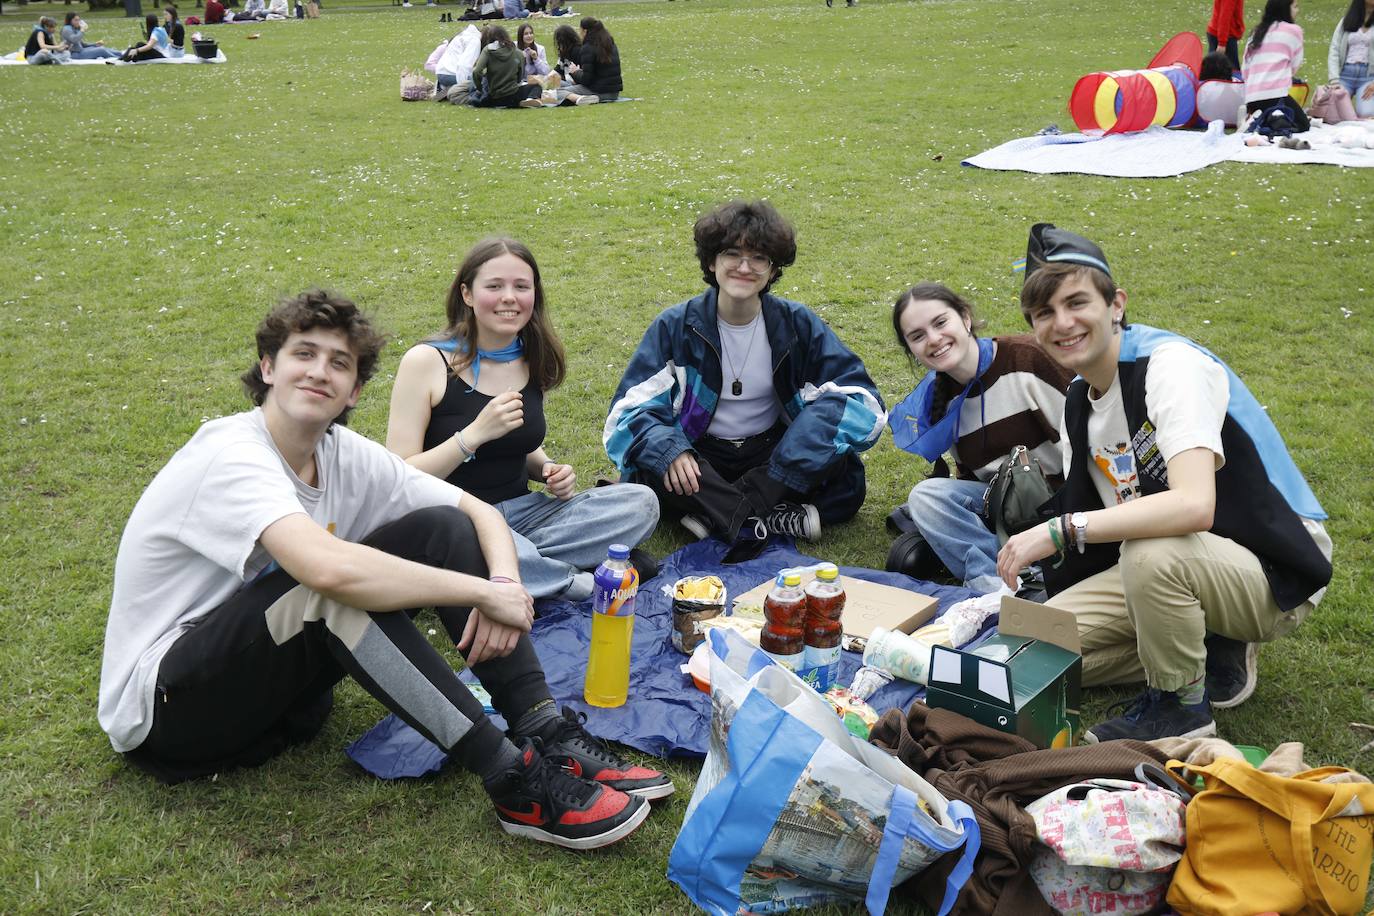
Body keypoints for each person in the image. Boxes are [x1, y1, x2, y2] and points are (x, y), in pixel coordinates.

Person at [98, 290, 670, 847]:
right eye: (304, 354)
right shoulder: (232, 453)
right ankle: (513, 779)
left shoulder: (340, 451)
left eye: (339, 363)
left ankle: (544, 728)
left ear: (355, 389)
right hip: (169, 711)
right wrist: (479, 592)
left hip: (273, 693)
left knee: (442, 527)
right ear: (268, 367)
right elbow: (329, 572)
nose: (320, 372)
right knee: (330, 590)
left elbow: (473, 513)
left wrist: (501, 582)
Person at [997, 224, 1332, 743]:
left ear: (1116, 304)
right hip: (1166, 562)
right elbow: (1112, 510)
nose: (1062, 323)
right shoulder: (1077, 402)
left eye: (1076, 302)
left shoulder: (1170, 366)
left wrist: (1062, 530)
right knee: (1030, 648)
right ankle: (1197, 644)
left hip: (1269, 561)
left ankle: (1182, 708)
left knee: (1153, 554)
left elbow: (1195, 506)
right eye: (1044, 313)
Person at [606, 200, 885, 562]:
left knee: (845, 474)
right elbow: (626, 414)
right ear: (711, 262)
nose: (744, 267)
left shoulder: (796, 323)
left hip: (772, 455)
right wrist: (671, 450)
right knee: (651, 470)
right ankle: (766, 516)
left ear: (772, 270)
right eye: (732, 254)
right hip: (701, 454)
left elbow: (862, 402)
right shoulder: (675, 326)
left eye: (758, 258)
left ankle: (719, 514)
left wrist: (778, 472)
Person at [386, 238, 659, 601]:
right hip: (455, 518)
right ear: (467, 294)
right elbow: (399, 477)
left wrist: (548, 469)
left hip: (525, 516)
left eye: (521, 286)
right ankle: (573, 582)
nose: (509, 297)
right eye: (494, 286)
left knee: (641, 502)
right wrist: (472, 436)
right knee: (482, 541)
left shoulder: (532, 358)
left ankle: (514, 567)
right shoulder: (426, 362)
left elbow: (521, 445)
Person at [888, 283, 1073, 595]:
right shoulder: (939, 403)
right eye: (917, 336)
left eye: (940, 323)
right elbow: (974, 479)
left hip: (1069, 503)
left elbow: (1086, 444)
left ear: (966, 318)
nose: (934, 340)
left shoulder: (1027, 361)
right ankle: (1003, 584)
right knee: (926, 497)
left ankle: (1030, 572)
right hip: (1009, 511)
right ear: (912, 350)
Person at [1242, 0, 1309, 131]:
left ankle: (1258, 118)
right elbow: (1295, 65)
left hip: (1251, 96)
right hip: (1275, 94)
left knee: (1277, 113)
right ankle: (1268, 121)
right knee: (1303, 125)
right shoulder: (1294, 31)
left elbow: (1245, 68)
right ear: (1285, 9)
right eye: (1295, 6)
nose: (1297, 10)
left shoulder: (1257, 32)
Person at [470, 26, 546, 108]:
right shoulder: (518, 53)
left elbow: (476, 71)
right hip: (513, 96)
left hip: (494, 97)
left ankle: (478, 99)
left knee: (472, 85)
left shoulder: (488, 50)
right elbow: (520, 77)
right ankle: (530, 99)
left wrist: (479, 88)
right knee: (536, 86)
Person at [557, 16, 621, 103]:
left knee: (557, 92)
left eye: (580, 31)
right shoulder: (610, 44)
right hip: (614, 93)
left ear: (585, 31)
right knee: (562, 85)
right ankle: (583, 98)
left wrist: (575, 72)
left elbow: (586, 79)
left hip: (597, 91)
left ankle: (580, 98)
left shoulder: (588, 48)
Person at [1329, 0, 1374, 116]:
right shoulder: (1346, 21)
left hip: (1368, 78)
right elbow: (1334, 50)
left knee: (1367, 114)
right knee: (1336, 115)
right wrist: (1334, 81)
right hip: (1344, 76)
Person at [516, 23, 559, 89]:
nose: (529, 36)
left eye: (531, 33)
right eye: (526, 34)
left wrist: (536, 59)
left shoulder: (540, 49)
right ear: (520, 36)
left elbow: (546, 72)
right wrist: (520, 58)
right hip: (519, 83)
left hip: (535, 82)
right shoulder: (515, 48)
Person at [1208, 0, 1245, 73]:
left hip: (1222, 34)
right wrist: (1222, 43)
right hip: (1225, 36)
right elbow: (1225, 16)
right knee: (1233, 73)